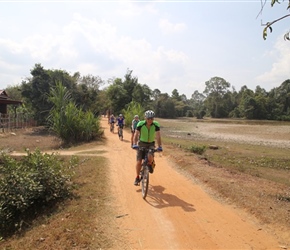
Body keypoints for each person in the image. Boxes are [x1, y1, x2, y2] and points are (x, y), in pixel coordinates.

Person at [132, 110, 163, 186]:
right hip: (141, 143)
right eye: (148, 118)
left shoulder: (156, 125)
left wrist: (160, 146)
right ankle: (137, 177)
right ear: (145, 118)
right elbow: (136, 134)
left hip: (151, 144)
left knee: (150, 156)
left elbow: (158, 136)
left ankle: (150, 163)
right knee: (139, 161)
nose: (150, 120)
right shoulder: (140, 124)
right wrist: (134, 144)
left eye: (152, 119)